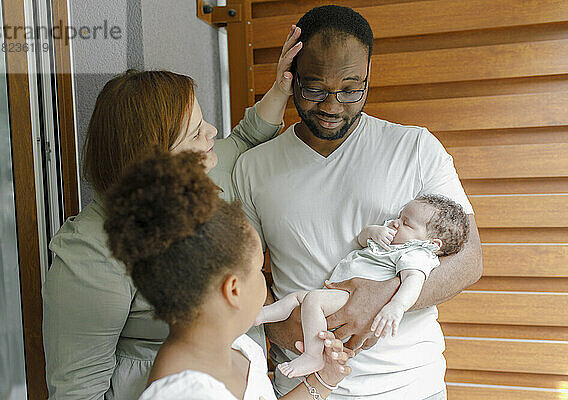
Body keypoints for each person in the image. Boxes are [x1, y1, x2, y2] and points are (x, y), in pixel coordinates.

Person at [233, 5, 482, 399]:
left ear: (368, 75)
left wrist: (379, 300)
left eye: (351, 89)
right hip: (304, 384)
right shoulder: (252, 167)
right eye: (314, 88)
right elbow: (244, 273)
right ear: (290, 75)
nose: (332, 106)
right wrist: (281, 326)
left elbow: (469, 260)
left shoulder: (415, 148)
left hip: (409, 384)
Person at [42, 26, 303, 400]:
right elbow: (77, 392)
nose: (213, 132)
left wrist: (281, 86)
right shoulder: (91, 254)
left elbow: (244, 138)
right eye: (197, 132)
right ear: (156, 159)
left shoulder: (204, 170)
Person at [102, 150, 355, 400]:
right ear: (233, 290)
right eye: (259, 270)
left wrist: (323, 380)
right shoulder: (184, 394)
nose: (264, 278)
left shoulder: (240, 349)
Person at [254, 195, 469, 379]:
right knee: (297, 298)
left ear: (431, 244)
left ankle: (312, 356)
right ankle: (261, 316)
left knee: (312, 301)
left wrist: (397, 306)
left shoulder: (416, 254)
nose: (395, 223)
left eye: (406, 223)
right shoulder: (392, 239)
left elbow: (414, 281)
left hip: (353, 300)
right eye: (400, 216)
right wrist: (372, 232)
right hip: (341, 292)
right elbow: (361, 238)